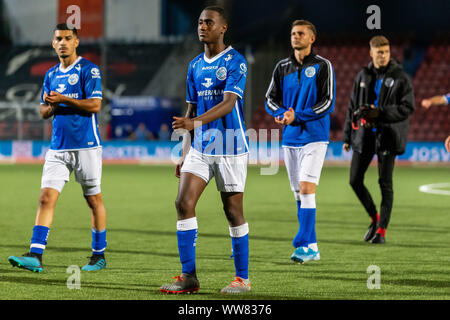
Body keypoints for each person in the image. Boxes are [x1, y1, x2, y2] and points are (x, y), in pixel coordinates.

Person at [159, 6, 250, 294]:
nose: (202, 26)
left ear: (223, 27)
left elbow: (228, 103)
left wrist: (193, 122)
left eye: (209, 22)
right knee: (183, 203)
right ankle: (189, 277)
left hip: (229, 144)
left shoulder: (236, 61)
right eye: (199, 22)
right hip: (200, 145)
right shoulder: (195, 64)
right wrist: (184, 150)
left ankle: (242, 279)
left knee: (232, 210)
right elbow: (192, 107)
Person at [8, 23, 107, 272]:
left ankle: (99, 255)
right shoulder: (51, 74)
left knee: (93, 201)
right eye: (58, 39)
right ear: (53, 44)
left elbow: (95, 105)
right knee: (45, 198)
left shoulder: (89, 70)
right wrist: (52, 106)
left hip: (86, 147)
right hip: (57, 148)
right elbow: (43, 111)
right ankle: (35, 255)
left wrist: (63, 99)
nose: (62, 42)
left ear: (76, 42)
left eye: (67, 38)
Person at [265, 20, 335, 264]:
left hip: (315, 137)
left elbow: (328, 102)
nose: (296, 37)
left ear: (312, 38)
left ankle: (301, 241)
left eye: (301, 33)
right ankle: (312, 247)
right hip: (290, 138)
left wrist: (298, 115)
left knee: (306, 189)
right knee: (298, 194)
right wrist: (282, 113)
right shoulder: (282, 67)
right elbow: (270, 99)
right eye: (293, 33)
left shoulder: (323, 66)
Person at [342, 35, 415, 244]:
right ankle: (374, 217)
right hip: (364, 136)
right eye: (379, 52)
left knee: (385, 183)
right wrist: (347, 135)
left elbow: (408, 108)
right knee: (354, 180)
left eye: (386, 52)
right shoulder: (362, 76)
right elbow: (351, 106)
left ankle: (381, 230)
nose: (383, 56)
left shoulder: (401, 77)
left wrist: (380, 113)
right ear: (371, 52)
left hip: (388, 136)